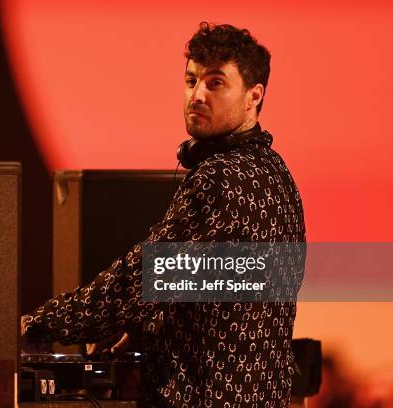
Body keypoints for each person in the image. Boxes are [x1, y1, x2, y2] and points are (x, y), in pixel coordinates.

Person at [22, 21, 306, 408]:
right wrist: (143, 329)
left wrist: (40, 323)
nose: (198, 95)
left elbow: (142, 276)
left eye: (216, 83)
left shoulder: (219, 177)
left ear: (254, 96)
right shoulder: (278, 175)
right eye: (191, 81)